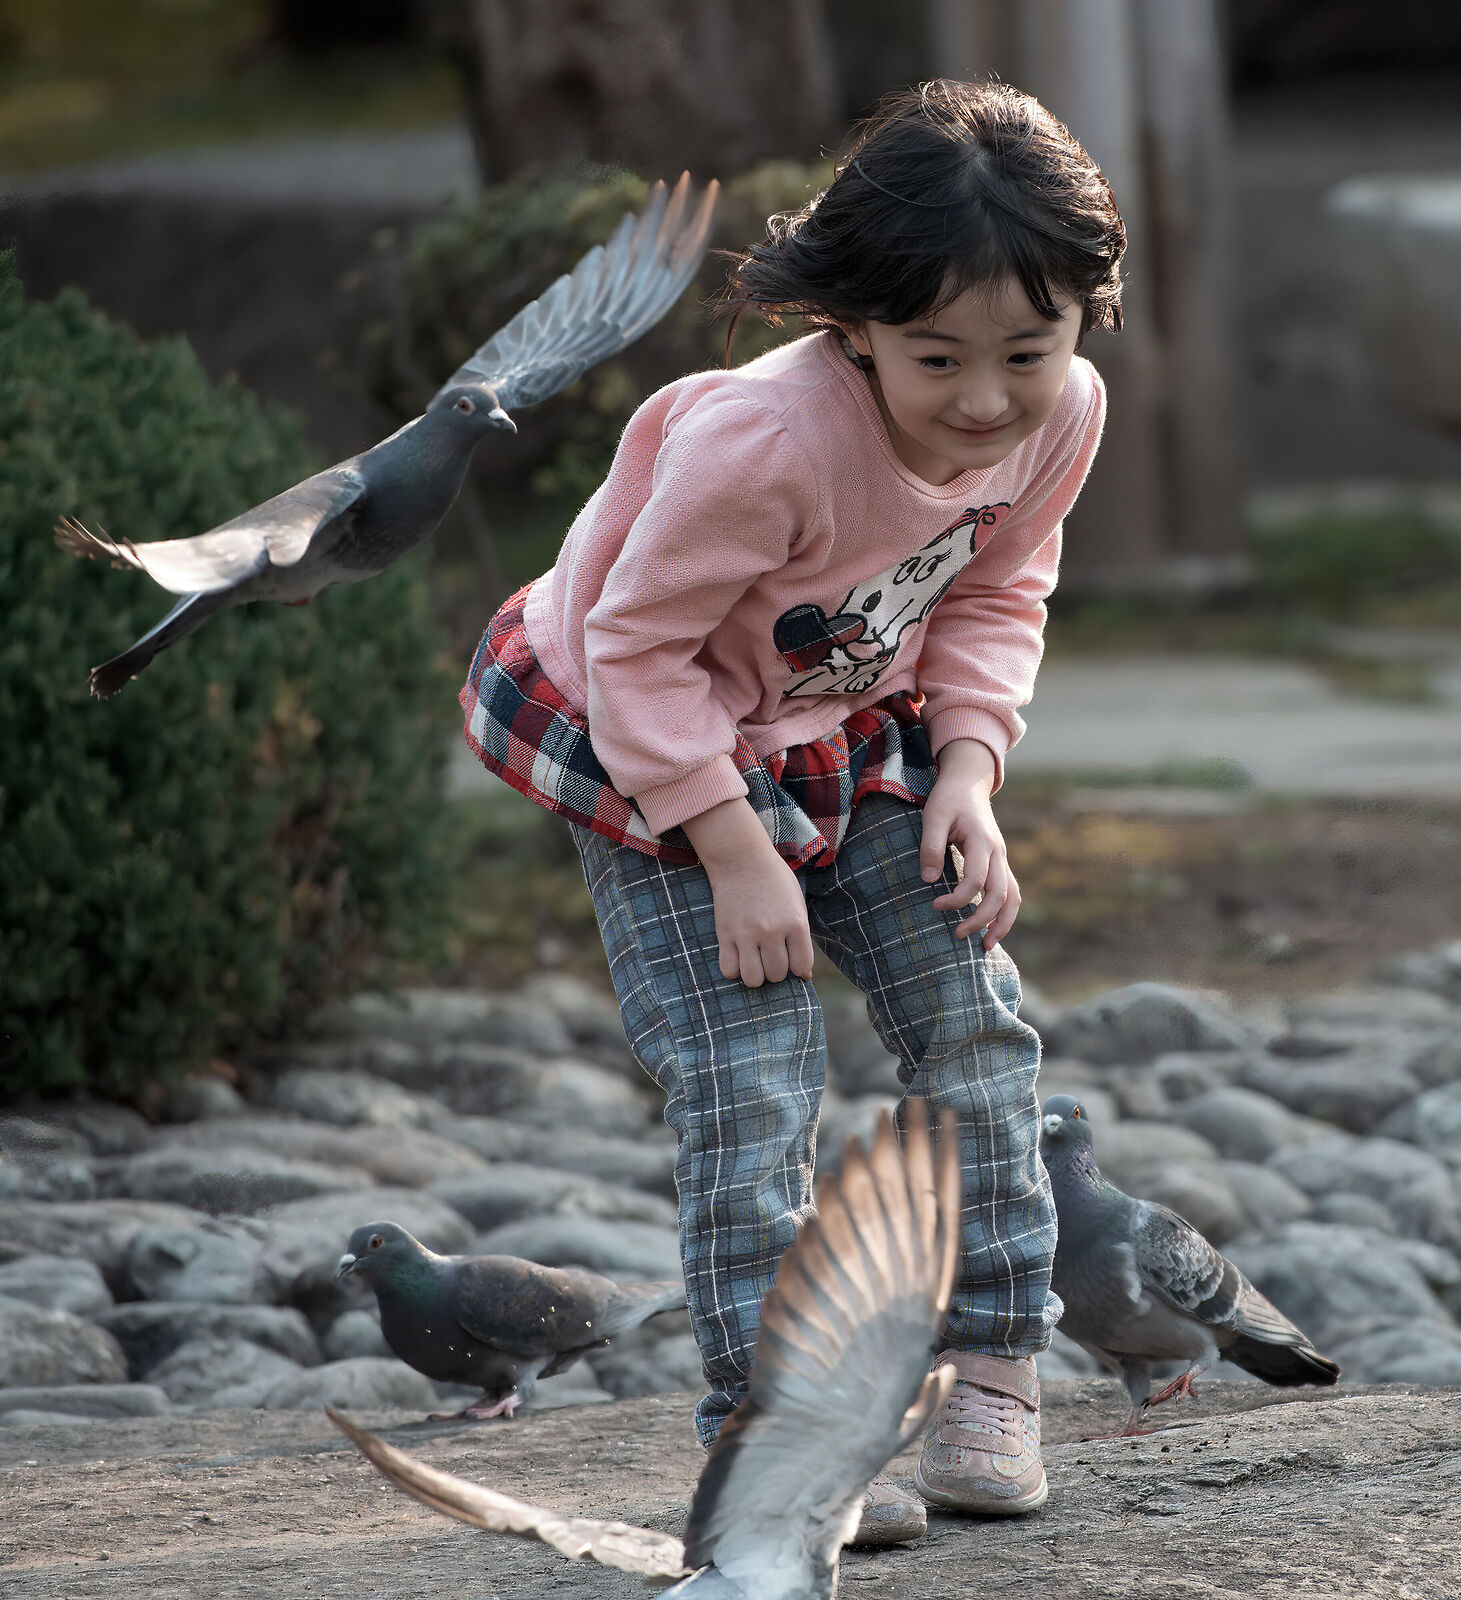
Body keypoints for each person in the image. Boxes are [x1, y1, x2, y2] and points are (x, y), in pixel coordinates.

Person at [459, 77, 1120, 1525]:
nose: (985, 401)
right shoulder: (765, 446)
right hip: (654, 741)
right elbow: (636, 647)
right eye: (936, 358)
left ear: (1084, 317)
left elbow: (1000, 590)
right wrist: (731, 845)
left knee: (971, 1013)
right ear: (855, 326)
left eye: (1028, 348)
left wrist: (967, 772)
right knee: (752, 1087)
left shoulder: (1056, 415)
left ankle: (996, 1374)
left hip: (845, 723)